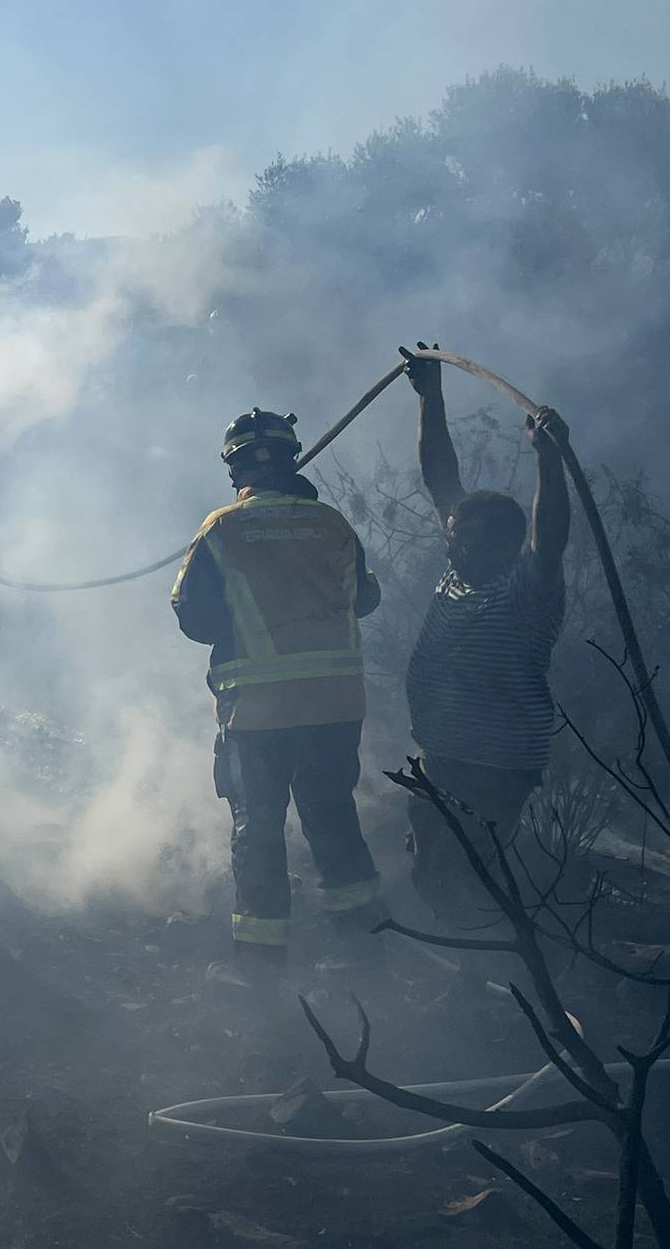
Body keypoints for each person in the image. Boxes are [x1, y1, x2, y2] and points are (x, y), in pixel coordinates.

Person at [173, 409, 385, 984]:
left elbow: (193, 616)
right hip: (335, 707)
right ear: (293, 457)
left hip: (258, 713)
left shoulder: (222, 529)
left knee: (258, 828)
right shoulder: (334, 524)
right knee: (334, 819)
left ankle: (261, 966)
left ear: (233, 465)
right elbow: (363, 600)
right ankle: (367, 951)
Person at [400, 342, 570, 928]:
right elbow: (440, 476)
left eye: (463, 540)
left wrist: (548, 457)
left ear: (502, 545)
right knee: (432, 867)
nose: (452, 546)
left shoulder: (526, 587)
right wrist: (431, 395)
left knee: (464, 877)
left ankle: (491, 977)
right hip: (444, 753)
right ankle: (479, 968)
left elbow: (550, 535)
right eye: (452, 537)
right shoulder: (461, 568)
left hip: (493, 764)